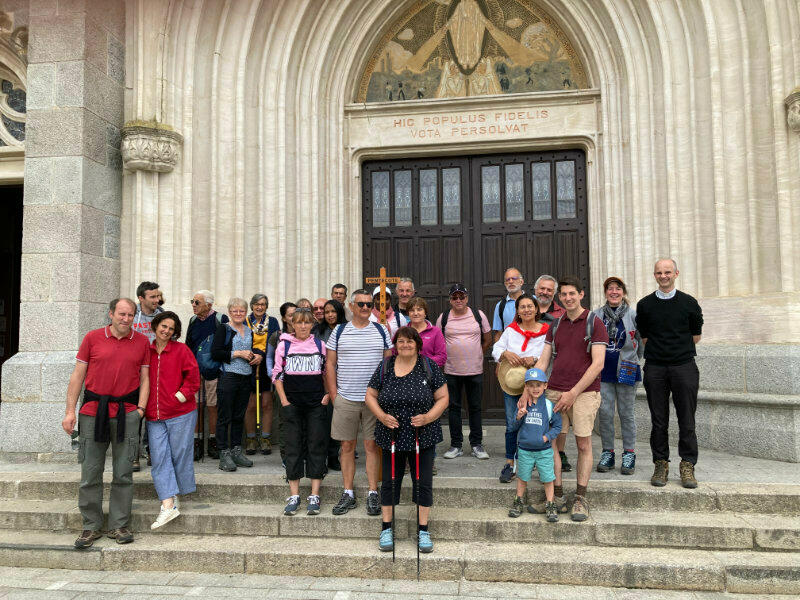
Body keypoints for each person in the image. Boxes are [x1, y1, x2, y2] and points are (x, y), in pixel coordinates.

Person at [62, 298, 150, 549]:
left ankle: (119, 525)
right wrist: (70, 412)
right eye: (121, 314)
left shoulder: (142, 342)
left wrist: (140, 410)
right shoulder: (92, 338)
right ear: (111, 314)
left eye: (130, 315)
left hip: (127, 413)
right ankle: (91, 526)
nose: (126, 319)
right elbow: (78, 375)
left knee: (124, 472)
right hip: (93, 412)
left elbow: (145, 378)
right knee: (90, 472)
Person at [523, 276, 608, 522]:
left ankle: (580, 498)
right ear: (559, 298)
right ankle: (556, 497)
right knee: (552, 446)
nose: (568, 298)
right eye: (564, 294)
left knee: (583, 445)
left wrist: (573, 393)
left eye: (572, 293)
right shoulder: (556, 325)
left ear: (581, 294)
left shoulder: (594, 322)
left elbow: (598, 364)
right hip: (554, 393)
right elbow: (543, 360)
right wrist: (529, 387)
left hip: (584, 393)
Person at [365, 326, 449, 553]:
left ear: (418, 344)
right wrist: (382, 416)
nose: (405, 345)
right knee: (390, 481)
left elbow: (443, 397)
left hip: (423, 434)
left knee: (423, 482)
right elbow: (370, 395)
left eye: (410, 341)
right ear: (396, 344)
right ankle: (386, 528)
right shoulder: (385, 366)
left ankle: (423, 530)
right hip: (391, 434)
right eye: (401, 341)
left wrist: (428, 417)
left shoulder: (428, 366)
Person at [636, 259, 703, 489]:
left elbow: (696, 335)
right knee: (659, 420)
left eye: (667, 272)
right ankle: (660, 463)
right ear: (654, 275)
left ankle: (688, 464)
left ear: (676, 273)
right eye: (659, 273)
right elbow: (645, 337)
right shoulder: (645, 304)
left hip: (684, 367)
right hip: (655, 367)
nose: (663, 276)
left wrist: (676, 351)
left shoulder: (689, 303)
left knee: (687, 419)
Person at [326, 289, 393, 516]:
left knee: (372, 446)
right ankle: (348, 492)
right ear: (351, 306)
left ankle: (373, 492)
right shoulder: (339, 331)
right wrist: (334, 395)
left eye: (369, 304)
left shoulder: (381, 330)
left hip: (374, 400)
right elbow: (330, 364)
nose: (365, 308)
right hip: (346, 398)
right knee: (346, 446)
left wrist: (385, 395)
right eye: (361, 304)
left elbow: (388, 364)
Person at [272, 308, 332, 515]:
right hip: (292, 404)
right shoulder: (284, 345)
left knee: (316, 444)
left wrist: (327, 395)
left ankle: (314, 494)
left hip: (316, 403)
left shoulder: (320, 345)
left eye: (307, 322)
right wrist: (284, 401)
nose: (303, 326)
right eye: (299, 322)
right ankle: (294, 495)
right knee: (293, 446)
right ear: (293, 324)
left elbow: (326, 371)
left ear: (312, 325)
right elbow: (277, 374)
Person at [145, 311, 200, 530]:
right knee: (159, 457)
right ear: (155, 326)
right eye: (163, 326)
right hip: (154, 415)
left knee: (179, 455)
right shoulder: (146, 351)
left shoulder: (181, 350)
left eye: (171, 328)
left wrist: (179, 396)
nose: (166, 331)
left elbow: (193, 379)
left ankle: (174, 495)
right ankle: (168, 504)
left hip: (181, 412)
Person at [492, 293, 549, 483]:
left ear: (536, 308)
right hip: (513, 383)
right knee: (512, 424)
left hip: (536, 386)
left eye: (530, 306)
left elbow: (550, 353)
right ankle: (510, 463)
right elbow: (496, 349)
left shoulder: (546, 331)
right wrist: (506, 354)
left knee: (536, 423)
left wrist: (535, 358)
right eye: (522, 307)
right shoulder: (511, 330)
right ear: (517, 311)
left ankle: (535, 461)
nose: (526, 310)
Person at [592, 277, 643, 475]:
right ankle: (608, 452)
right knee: (605, 413)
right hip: (603, 371)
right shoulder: (596, 315)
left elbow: (641, 342)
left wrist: (633, 360)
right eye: (610, 288)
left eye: (618, 288)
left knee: (626, 413)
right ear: (605, 292)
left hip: (627, 369)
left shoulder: (633, 315)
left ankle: (629, 453)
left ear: (623, 292)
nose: (614, 292)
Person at [436, 284, 492, 461]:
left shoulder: (478, 315)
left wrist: (477, 354)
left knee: (475, 408)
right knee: (453, 408)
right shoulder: (444, 317)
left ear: (467, 298)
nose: (458, 300)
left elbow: (488, 339)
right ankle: (456, 445)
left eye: (462, 297)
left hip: (475, 370)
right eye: (455, 297)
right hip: (451, 371)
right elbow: (439, 341)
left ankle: (477, 444)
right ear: (450, 300)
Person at [210, 298, 262, 472]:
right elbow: (216, 352)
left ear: (246, 312)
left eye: (241, 311)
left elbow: (253, 350)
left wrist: (256, 356)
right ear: (229, 312)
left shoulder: (249, 330)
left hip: (245, 377)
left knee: (239, 416)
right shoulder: (224, 328)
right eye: (235, 311)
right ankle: (224, 453)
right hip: (228, 376)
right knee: (224, 416)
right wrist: (238, 353)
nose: (238, 314)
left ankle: (236, 451)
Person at [508, 368, 562, 522]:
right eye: (531, 385)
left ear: (545, 385)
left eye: (538, 385)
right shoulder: (523, 404)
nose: (535, 388)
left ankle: (550, 504)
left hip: (544, 451)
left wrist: (547, 437)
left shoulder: (549, 405)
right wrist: (518, 416)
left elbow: (557, 425)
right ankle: (518, 501)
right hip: (525, 450)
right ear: (526, 387)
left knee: (548, 478)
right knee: (522, 477)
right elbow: (513, 426)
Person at [532, 274, 570, 472]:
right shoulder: (527, 308)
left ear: (554, 293)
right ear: (535, 289)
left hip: (556, 370)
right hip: (532, 371)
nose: (545, 292)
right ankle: (534, 451)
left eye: (549, 290)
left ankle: (559, 453)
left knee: (558, 415)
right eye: (542, 289)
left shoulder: (563, 313)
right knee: (535, 413)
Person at [185, 290, 228, 461]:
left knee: (213, 405)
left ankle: (213, 442)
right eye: (193, 301)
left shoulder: (220, 319)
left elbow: (226, 344)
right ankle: (196, 443)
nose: (193, 305)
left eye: (197, 302)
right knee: (196, 405)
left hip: (214, 370)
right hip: (195, 370)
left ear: (209, 305)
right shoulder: (193, 321)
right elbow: (188, 345)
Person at [132, 281, 163, 470]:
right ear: (141, 298)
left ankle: (152, 451)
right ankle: (133, 455)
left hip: (156, 372)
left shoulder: (162, 315)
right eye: (152, 297)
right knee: (135, 415)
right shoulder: (131, 315)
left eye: (158, 296)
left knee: (154, 415)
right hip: (133, 374)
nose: (157, 300)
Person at [313, 299, 347, 470]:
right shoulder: (317, 331)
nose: (330, 315)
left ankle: (334, 456)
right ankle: (321, 459)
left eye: (333, 311)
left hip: (345, 380)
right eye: (327, 312)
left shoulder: (348, 329)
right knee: (323, 422)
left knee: (338, 421)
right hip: (322, 381)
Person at [244, 294, 280, 456]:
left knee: (267, 404)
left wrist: (262, 356)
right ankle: (251, 439)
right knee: (250, 405)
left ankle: (265, 438)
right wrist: (253, 356)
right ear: (252, 305)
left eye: (263, 304)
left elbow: (275, 343)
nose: (260, 307)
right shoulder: (245, 321)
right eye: (257, 304)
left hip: (266, 366)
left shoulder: (272, 322)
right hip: (248, 365)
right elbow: (242, 341)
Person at [267, 302, 297, 461]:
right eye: (290, 315)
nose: (294, 318)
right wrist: (272, 375)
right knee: (285, 418)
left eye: (296, 314)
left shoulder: (305, 334)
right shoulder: (277, 336)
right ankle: (286, 455)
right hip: (282, 384)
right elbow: (269, 357)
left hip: (302, 384)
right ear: (284, 318)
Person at [405, 297, 446, 368]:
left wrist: (421, 363)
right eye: (412, 310)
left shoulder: (436, 332)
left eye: (419, 309)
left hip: (429, 372)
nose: (415, 313)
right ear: (408, 313)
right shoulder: (402, 331)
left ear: (425, 313)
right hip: (406, 372)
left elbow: (442, 357)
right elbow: (395, 354)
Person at [492, 267, 525, 343]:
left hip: (531, 346)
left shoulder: (533, 301)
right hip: (510, 348)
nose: (511, 281)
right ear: (505, 284)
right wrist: (499, 350)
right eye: (508, 279)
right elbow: (498, 334)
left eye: (514, 278)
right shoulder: (500, 306)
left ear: (521, 282)